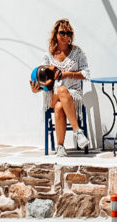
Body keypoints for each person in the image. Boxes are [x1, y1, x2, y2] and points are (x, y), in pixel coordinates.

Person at [31, 18, 90, 156]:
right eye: (62, 32)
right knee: (61, 90)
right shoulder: (48, 56)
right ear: (56, 34)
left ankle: (60, 147)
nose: (65, 36)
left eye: (69, 33)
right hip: (51, 96)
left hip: (73, 95)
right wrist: (36, 89)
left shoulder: (77, 52)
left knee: (59, 106)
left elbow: (86, 73)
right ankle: (77, 131)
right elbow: (41, 78)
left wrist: (67, 74)